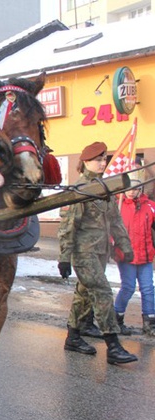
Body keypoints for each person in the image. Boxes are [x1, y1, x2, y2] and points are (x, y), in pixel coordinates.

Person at [57, 141, 137, 364]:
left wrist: (125, 246)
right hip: (84, 253)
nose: (103, 163)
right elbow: (68, 225)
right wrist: (64, 257)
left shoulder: (104, 187)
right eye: (98, 160)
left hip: (100, 251)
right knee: (102, 292)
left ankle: (73, 337)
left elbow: (115, 220)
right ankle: (112, 345)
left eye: (104, 159)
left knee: (83, 295)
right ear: (85, 162)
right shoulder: (80, 189)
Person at [114, 166, 155, 336]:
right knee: (128, 287)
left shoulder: (150, 206)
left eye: (135, 189)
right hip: (126, 256)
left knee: (148, 288)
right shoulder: (118, 207)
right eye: (128, 188)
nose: (131, 192)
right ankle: (116, 319)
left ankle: (150, 323)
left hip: (145, 256)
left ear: (141, 189)